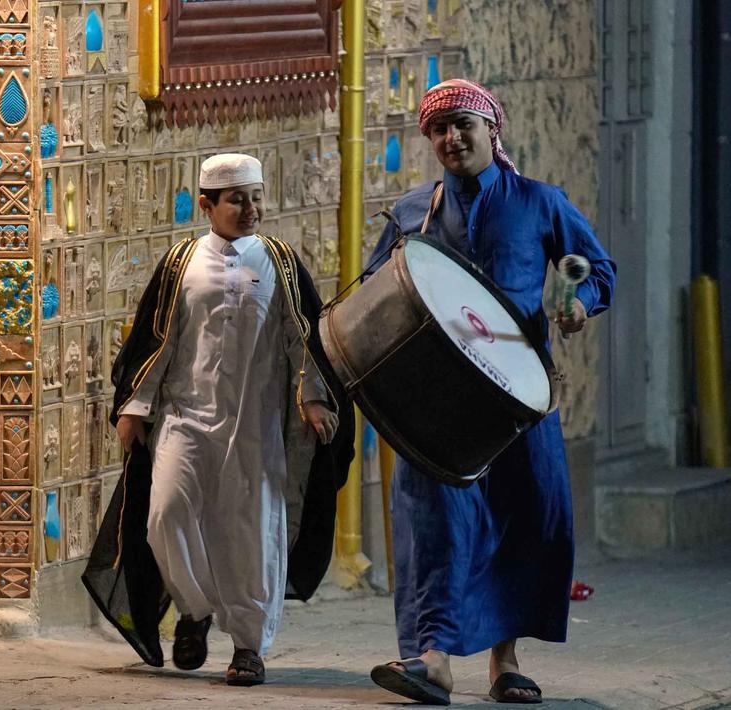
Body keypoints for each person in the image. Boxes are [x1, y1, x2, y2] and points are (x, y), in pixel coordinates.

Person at [367, 79, 616, 705]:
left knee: (523, 518)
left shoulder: (540, 202)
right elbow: (374, 287)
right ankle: (432, 661)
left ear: (491, 132)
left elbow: (598, 270)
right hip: (437, 407)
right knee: (435, 527)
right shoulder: (411, 213)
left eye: (464, 126)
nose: (452, 138)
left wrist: (578, 306)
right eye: (440, 129)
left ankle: (505, 663)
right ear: (429, 139)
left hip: (519, 401)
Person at [82, 153, 356, 686]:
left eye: (256, 197)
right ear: (207, 205)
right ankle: (193, 608)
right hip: (183, 417)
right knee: (165, 516)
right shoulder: (181, 263)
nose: (251, 208)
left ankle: (249, 646)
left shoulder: (279, 260)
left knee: (250, 532)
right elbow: (156, 340)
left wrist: (314, 396)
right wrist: (135, 408)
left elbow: (304, 338)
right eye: (237, 199)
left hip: (256, 422)